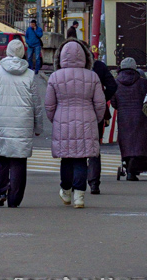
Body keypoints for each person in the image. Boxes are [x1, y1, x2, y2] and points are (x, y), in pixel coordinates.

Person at [0, 38, 43, 208]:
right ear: (22, 53)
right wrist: (38, 127)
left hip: (0, 123)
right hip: (22, 123)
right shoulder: (29, 74)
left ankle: (1, 191)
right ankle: (14, 199)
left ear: (7, 52)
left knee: (3, 158)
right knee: (19, 162)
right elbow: (36, 103)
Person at [44, 39, 106, 209]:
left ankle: (65, 190)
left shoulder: (55, 77)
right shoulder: (92, 76)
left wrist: (55, 119)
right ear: (85, 57)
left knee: (66, 158)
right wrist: (96, 119)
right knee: (81, 159)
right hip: (87, 119)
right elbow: (100, 104)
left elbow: (49, 105)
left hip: (62, 120)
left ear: (61, 57)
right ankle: (79, 195)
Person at [111, 57, 147, 181]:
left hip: (124, 118)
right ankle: (136, 166)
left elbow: (114, 103)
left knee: (126, 141)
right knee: (140, 141)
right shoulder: (142, 83)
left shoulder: (116, 83)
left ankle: (128, 166)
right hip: (140, 118)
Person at [87, 56, 118, 193]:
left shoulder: (69, 69)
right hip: (95, 112)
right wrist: (102, 99)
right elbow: (112, 85)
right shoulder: (99, 66)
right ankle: (94, 183)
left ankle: (76, 182)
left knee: (76, 147)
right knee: (94, 147)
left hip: (73, 113)